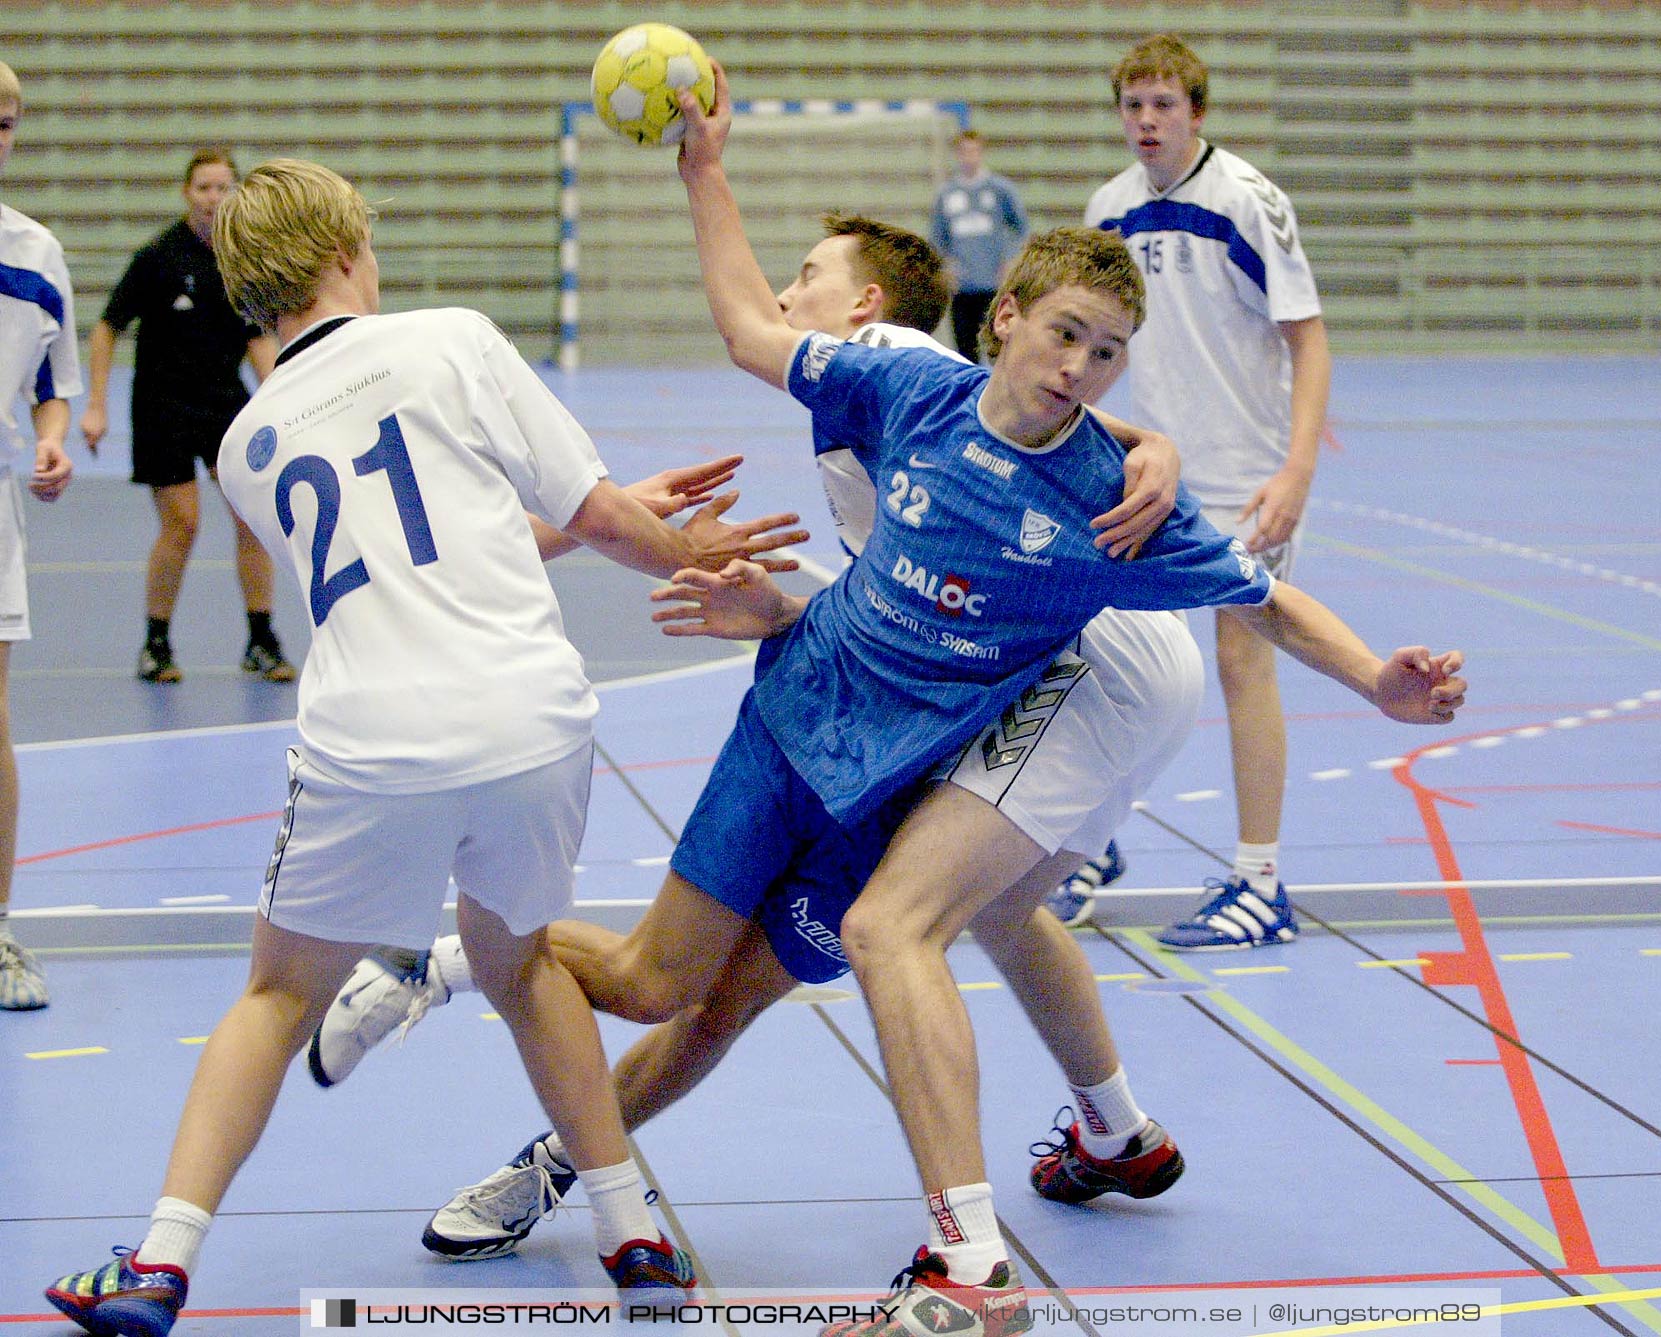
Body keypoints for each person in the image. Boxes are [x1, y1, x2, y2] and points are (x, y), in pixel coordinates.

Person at [321, 62, 1460, 1336]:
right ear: (1007, 317)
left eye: (1108, 353)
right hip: (793, 720)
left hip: (942, 754)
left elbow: (1259, 597)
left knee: (818, 959)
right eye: (1066, 334)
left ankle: (942, 1244)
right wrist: (704, 170)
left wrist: (1375, 675)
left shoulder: (1097, 483)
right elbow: (759, 341)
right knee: (659, 974)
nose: (1081, 365)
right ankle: (449, 969)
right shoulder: (901, 394)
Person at [307, 210, 1203, 1267]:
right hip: (844, 730)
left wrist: (1160, 450)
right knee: (695, 974)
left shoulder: (888, 362)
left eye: (810, 276)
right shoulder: (924, 410)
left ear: (867, 307)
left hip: (999, 728)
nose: (787, 295)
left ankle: (552, 1147)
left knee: (738, 994)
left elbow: (764, 330)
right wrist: (781, 614)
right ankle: (1110, 1135)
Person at [43, 156, 809, 1337]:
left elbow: (418, 550)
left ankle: (157, 1263)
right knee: (523, 966)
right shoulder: (454, 338)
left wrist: (602, 516)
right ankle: (635, 1233)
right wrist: (690, 550)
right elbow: (599, 522)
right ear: (349, 250)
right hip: (530, 721)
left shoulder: (250, 441)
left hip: (374, 739)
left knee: (277, 992)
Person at [1053, 33, 1335, 950]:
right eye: (1132, 105)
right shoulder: (1110, 209)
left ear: (1196, 112)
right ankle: (1091, 847)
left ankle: (1260, 884)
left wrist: (1295, 470)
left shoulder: (1248, 203)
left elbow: (1309, 338)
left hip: (1246, 478)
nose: (1145, 121)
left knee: (1243, 663)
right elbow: (1093, 337)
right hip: (1152, 474)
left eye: (1163, 105)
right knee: (1104, 656)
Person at [81, 148, 291, 684]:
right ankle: (156, 643)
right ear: (187, 194)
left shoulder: (244, 260)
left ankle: (261, 640)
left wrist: (285, 396)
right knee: (183, 524)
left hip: (224, 403)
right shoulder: (157, 257)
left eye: (224, 188)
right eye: (204, 188)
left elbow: (257, 338)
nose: (214, 199)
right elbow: (108, 326)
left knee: (251, 517)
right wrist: (97, 404)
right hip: (162, 407)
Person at [0, 62, 77, 1012]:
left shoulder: (34, 254)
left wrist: (52, 443)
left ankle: (0, 932)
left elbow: (50, 386)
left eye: (9, 121)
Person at [929, 129, 1028, 363]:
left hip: (992, 283)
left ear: (981, 153)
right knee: (965, 350)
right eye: (964, 151)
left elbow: (1020, 227)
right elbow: (937, 236)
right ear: (957, 154)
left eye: (973, 151)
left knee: (997, 346)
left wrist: (1010, 259)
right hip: (962, 286)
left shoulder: (999, 189)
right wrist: (947, 265)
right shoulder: (947, 194)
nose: (969, 156)